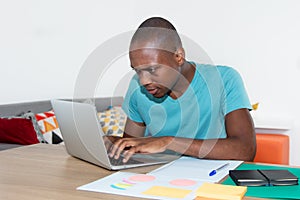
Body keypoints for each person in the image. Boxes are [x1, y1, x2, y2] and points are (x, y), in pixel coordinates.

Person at [107, 17, 256, 163]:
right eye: (137, 71)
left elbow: (245, 150)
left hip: (213, 179)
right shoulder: (137, 88)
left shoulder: (224, 79)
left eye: (152, 69)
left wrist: (168, 142)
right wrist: (111, 142)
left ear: (178, 56)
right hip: (160, 178)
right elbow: (131, 148)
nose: (144, 81)